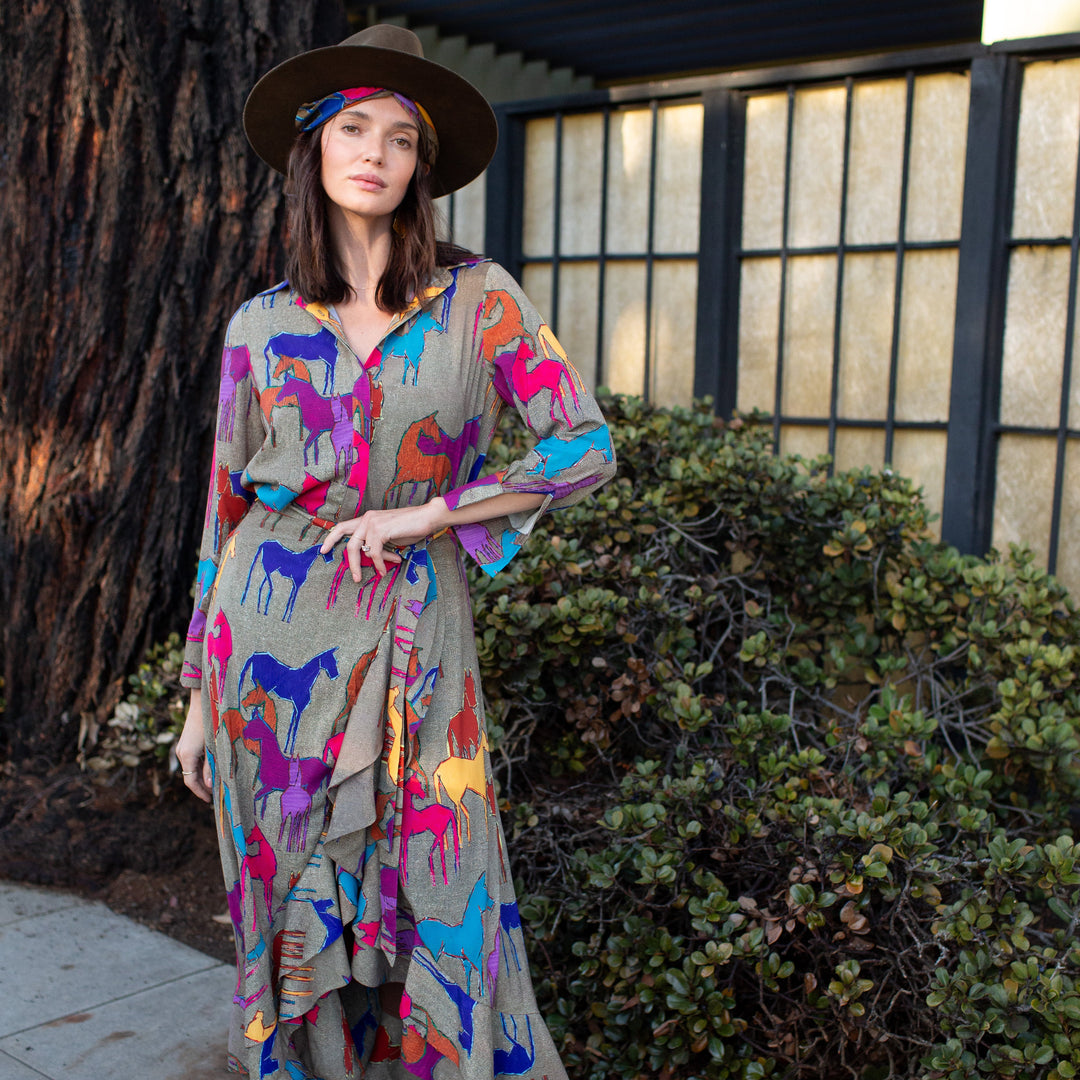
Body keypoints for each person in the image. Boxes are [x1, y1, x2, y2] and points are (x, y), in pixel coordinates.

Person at [174, 22, 616, 1080]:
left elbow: (586, 445)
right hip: (265, 663)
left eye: (403, 138)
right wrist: (195, 694)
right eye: (354, 127)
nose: (376, 152)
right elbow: (222, 516)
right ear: (314, 151)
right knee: (292, 904)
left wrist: (435, 515)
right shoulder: (259, 327)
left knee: (443, 883)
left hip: (420, 643)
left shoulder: (480, 299)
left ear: (422, 167)